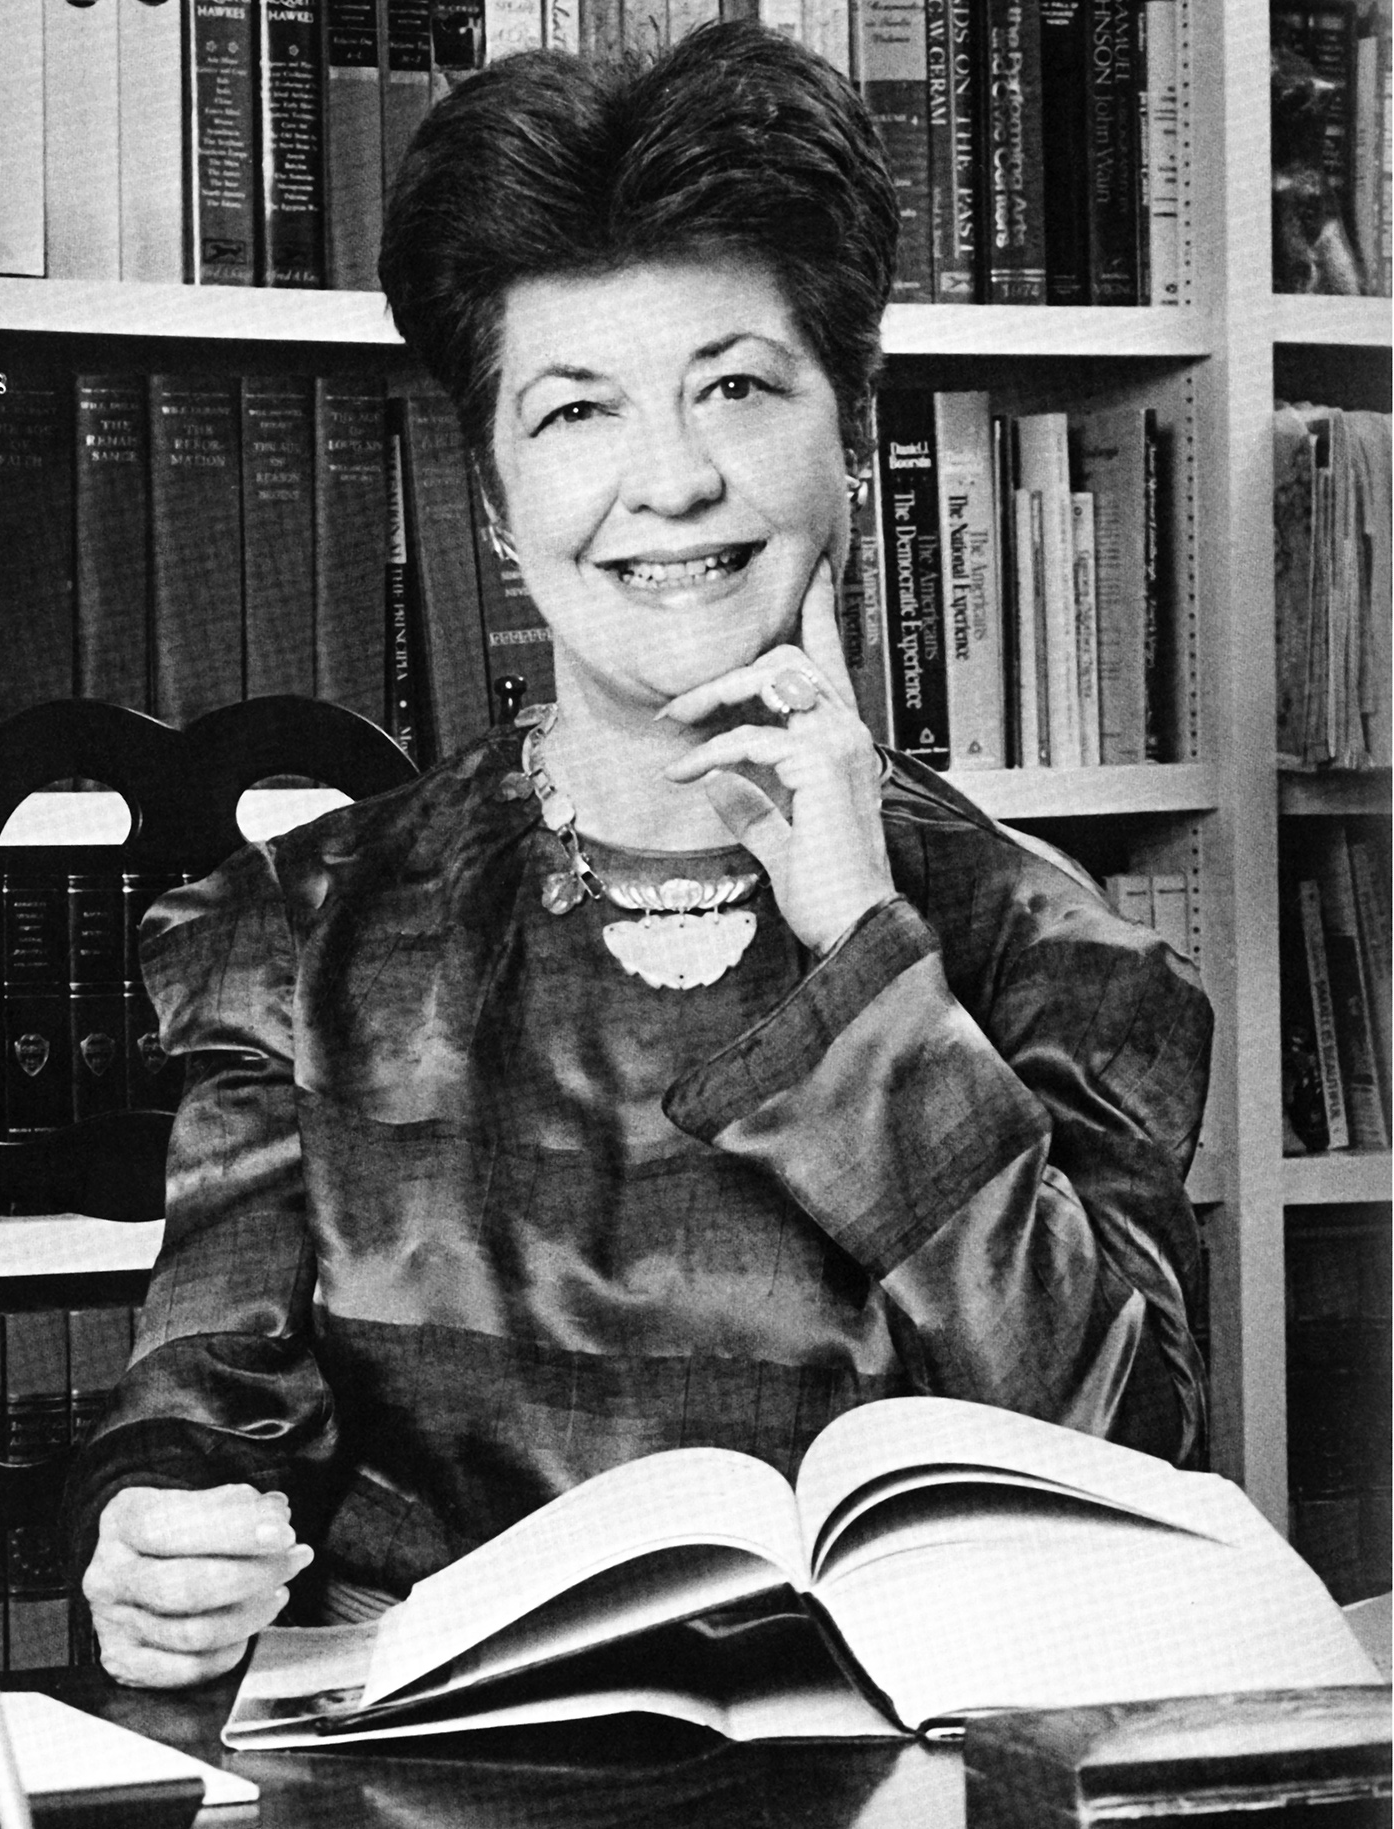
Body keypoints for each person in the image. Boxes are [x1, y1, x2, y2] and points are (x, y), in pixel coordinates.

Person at [65, 24, 1212, 1690]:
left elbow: (1134, 1459)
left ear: (848, 430)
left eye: (738, 387)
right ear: (492, 497)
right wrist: (161, 1538)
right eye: (578, 408)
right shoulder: (300, 936)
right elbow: (197, 1418)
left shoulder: (1051, 947)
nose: (671, 480)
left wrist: (858, 947)